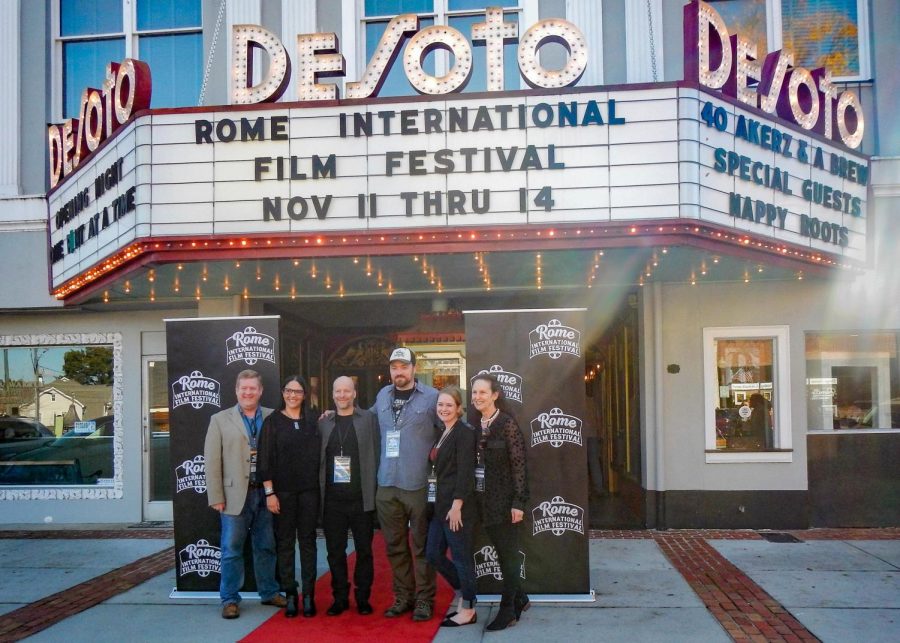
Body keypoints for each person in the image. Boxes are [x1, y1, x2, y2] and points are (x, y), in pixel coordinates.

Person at [204, 369, 286, 620]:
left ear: (260, 391)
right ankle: (229, 599)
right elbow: (211, 460)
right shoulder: (220, 419)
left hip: (266, 493)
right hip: (233, 495)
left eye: (253, 388)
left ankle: (269, 592)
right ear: (237, 390)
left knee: (266, 546)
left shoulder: (274, 417)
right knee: (231, 549)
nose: (248, 392)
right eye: (244, 388)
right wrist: (216, 495)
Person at [374, 347, 440, 621]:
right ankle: (403, 597)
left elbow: (448, 429)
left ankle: (425, 599)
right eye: (394, 367)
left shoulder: (433, 398)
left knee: (422, 545)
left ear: (414, 368)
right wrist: (333, 416)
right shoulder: (381, 396)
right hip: (387, 483)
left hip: (418, 483)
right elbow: (366, 420)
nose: (398, 372)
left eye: (403, 366)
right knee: (395, 546)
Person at [257, 375, 321, 618]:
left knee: (308, 542)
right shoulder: (272, 422)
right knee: (285, 544)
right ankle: (291, 594)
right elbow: (264, 461)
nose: (292, 395)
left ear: (305, 395)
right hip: (282, 493)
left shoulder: (313, 421)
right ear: (283, 393)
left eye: (298, 391)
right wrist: (270, 493)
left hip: (309, 492)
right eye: (288, 390)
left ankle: (309, 595)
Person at [470, 373, 529, 631]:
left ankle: (508, 611)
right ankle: (522, 597)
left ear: (495, 395)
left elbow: (519, 467)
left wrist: (518, 502)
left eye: (483, 392)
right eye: (474, 393)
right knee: (503, 553)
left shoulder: (506, 424)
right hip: (484, 501)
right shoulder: (475, 425)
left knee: (508, 557)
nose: (477, 397)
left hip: (505, 502)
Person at [318, 376, 380, 616]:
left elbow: (377, 451)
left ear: (355, 393)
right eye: (338, 391)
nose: (342, 395)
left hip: (361, 498)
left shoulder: (368, 420)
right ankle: (340, 597)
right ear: (332, 394)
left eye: (347, 391)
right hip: (332, 500)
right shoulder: (324, 422)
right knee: (335, 551)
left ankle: (363, 597)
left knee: (364, 550)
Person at [425, 386, 478, 627]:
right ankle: (464, 592)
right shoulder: (442, 431)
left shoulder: (464, 433)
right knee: (433, 554)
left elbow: (466, 472)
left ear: (459, 408)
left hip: (456, 508)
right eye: (440, 405)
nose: (443, 409)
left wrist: (457, 505)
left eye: (449, 405)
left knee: (461, 557)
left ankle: (468, 609)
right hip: (439, 506)